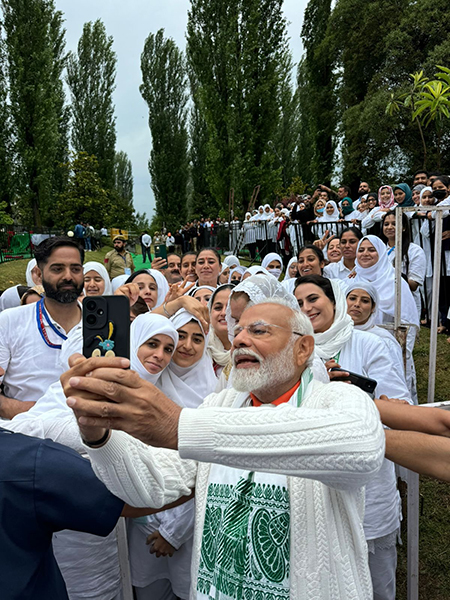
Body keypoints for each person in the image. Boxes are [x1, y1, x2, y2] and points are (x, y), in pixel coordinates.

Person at [64, 297, 385, 600]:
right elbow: (149, 488)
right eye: (238, 332)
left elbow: (363, 450)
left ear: (303, 348)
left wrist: (179, 426)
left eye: (258, 331)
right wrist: (100, 436)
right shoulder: (219, 406)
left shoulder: (337, 400)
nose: (240, 340)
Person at [294, 275, 411, 600]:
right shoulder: (294, 353)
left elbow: (402, 407)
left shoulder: (368, 344)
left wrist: (354, 395)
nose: (306, 308)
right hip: (315, 486)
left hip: (368, 485)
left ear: (334, 300)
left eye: (313, 299)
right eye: (298, 302)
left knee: (377, 585)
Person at [0, 237, 84, 418]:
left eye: (75, 269)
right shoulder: (9, 321)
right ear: (38, 274)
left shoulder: (104, 326)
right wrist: (43, 415)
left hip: (92, 438)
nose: (68, 276)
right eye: (57, 269)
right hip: (24, 435)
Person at [352, 235, 420, 402]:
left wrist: (404, 351)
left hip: (390, 347)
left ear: (381, 253)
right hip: (357, 347)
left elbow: (408, 321)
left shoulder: (395, 282)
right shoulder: (353, 281)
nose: (365, 254)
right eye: (361, 250)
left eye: (371, 250)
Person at [380, 210, 426, 319]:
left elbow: (414, 285)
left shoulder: (414, 251)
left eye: (395, 224)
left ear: (404, 227)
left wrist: (393, 273)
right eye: (386, 224)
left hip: (405, 303)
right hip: (383, 303)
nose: (389, 227)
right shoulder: (379, 250)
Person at [207, 285, 234, 379]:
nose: (224, 313)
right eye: (218, 308)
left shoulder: (249, 348)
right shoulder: (201, 345)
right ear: (209, 312)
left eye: (230, 308)